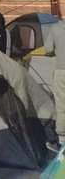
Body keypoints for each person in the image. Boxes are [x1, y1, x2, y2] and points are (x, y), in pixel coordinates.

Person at [45, 19, 65, 150]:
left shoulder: (56, 27)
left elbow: (48, 49)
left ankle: (62, 142)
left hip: (61, 71)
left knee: (62, 105)